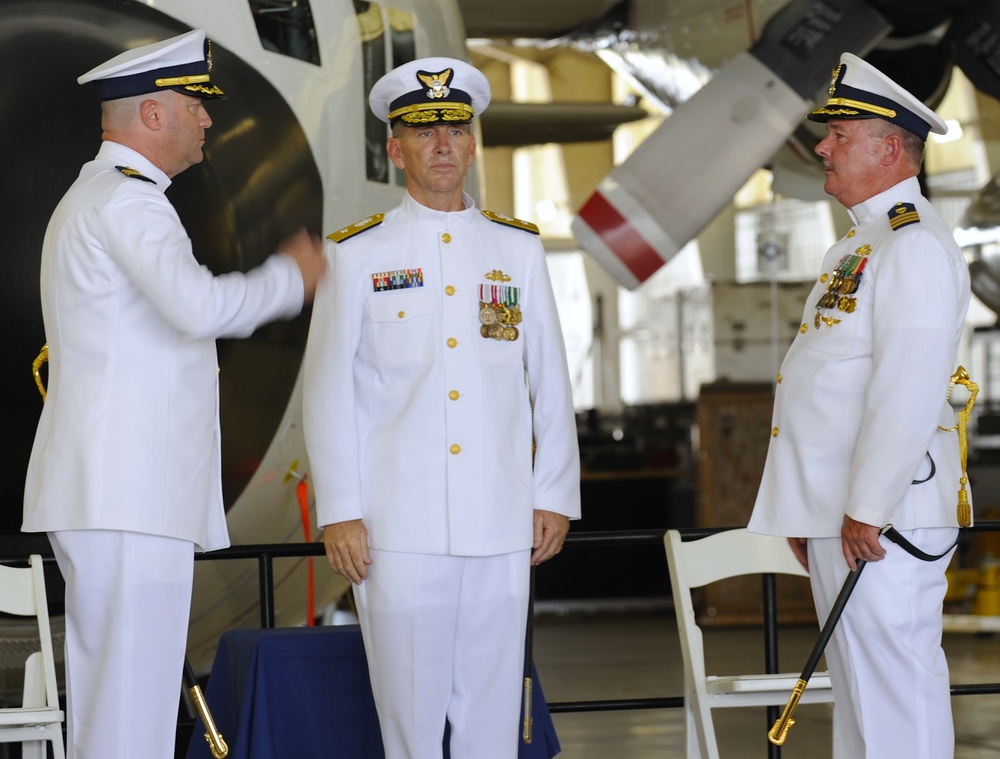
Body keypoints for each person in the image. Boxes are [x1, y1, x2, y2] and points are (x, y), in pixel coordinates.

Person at [21, 28, 325, 759]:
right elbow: (200, 309)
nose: (208, 120)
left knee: (123, 703)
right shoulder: (129, 203)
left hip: (120, 493)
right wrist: (293, 277)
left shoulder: (100, 195)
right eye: (196, 105)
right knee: (131, 707)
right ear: (153, 115)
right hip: (128, 495)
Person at [302, 57, 581, 758]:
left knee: (491, 721)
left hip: (499, 521)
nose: (444, 145)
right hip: (398, 529)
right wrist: (339, 508)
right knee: (411, 723)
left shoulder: (515, 250)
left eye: (456, 128)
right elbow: (327, 386)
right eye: (424, 133)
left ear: (474, 142)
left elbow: (550, 378)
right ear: (396, 150)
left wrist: (554, 494)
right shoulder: (358, 254)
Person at [748, 52, 970, 758]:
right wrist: (810, 509)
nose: (821, 145)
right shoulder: (861, 243)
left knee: (895, 702)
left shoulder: (914, 245)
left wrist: (864, 507)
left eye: (840, 134)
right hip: (845, 516)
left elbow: (905, 388)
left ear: (889, 147)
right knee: (862, 706)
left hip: (881, 521)